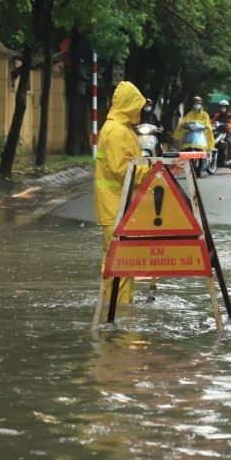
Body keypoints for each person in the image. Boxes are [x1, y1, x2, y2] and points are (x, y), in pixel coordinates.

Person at [94, 81, 150, 304]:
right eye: (136, 105)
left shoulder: (122, 129)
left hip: (119, 206)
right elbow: (123, 169)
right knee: (121, 261)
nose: (139, 110)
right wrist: (154, 170)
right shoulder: (117, 131)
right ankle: (120, 312)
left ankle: (112, 307)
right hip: (116, 207)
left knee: (118, 260)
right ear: (128, 105)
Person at [210, 100, 231, 164]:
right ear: (219, 107)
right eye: (221, 107)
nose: (223, 108)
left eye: (224, 107)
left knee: (228, 140)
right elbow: (211, 122)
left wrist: (229, 125)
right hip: (217, 132)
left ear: (227, 108)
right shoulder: (216, 115)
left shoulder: (230, 116)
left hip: (227, 132)